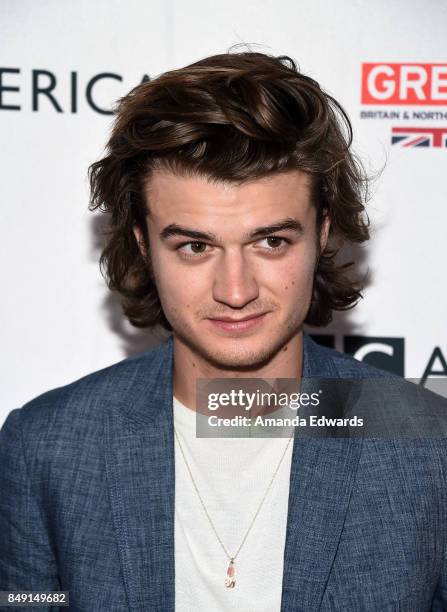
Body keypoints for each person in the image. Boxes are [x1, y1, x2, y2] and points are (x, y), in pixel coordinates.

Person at [0, 51, 446, 612]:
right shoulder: (47, 448)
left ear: (322, 233)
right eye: (194, 246)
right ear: (143, 243)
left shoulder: (432, 447)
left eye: (271, 242)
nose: (235, 291)